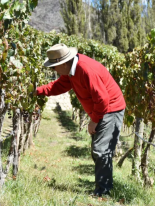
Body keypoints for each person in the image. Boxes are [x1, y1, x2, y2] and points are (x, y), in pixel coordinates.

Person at [35, 43, 126, 197]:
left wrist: (94, 120)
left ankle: (103, 194)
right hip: (102, 110)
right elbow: (59, 86)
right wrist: (37, 91)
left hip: (111, 109)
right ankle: (103, 188)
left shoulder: (85, 69)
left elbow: (103, 99)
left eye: (53, 67)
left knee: (101, 150)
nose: (53, 70)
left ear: (63, 63)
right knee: (99, 150)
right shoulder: (70, 71)